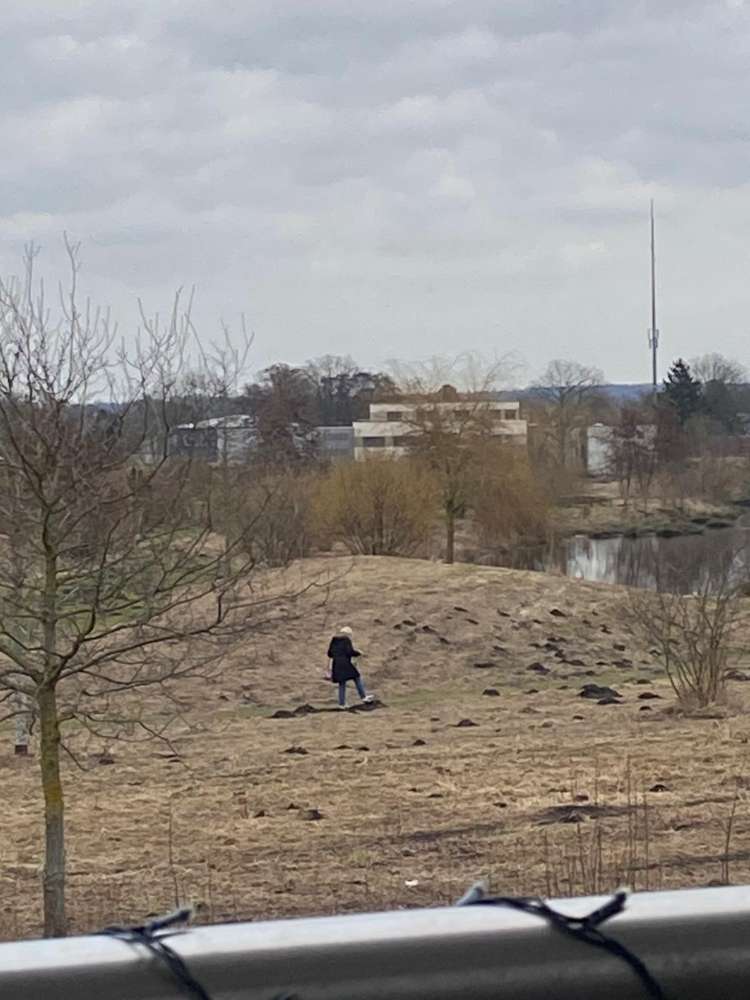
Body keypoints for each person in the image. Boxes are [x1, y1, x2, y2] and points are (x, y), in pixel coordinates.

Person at [327, 626, 374, 709]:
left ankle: (342, 704)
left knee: (342, 683)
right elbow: (349, 652)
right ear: (348, 634)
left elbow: (329, 654)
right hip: (345, 663)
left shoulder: (334, 641)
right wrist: (358, 653)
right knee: (357, 677)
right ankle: (364, 697)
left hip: (336, 664)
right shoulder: (346, 640)